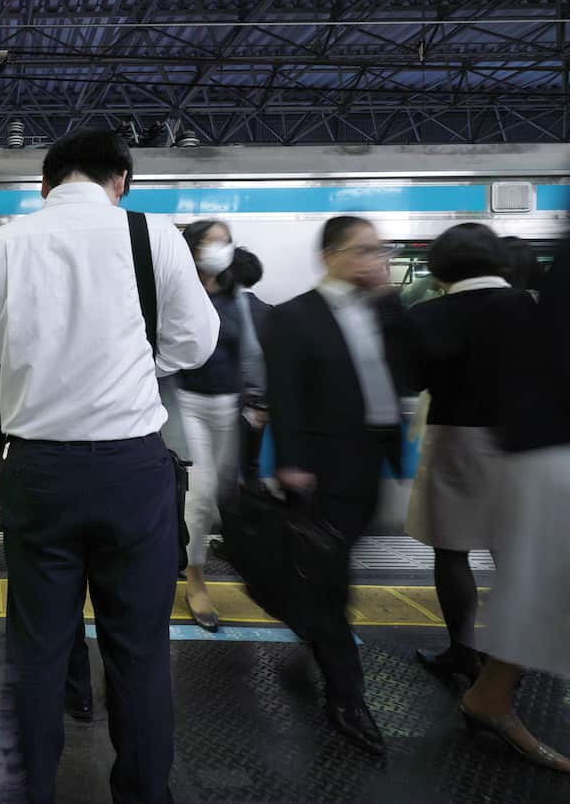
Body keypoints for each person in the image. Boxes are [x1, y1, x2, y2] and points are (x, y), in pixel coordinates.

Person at [0, 128, 218, 803]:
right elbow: (195, 343)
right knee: (138, 652)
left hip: (37, 468)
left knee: (37, 651)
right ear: (121, 182)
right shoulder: (152, 236)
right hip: (132, 468)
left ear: (44, 185)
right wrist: (137, 370)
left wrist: (33, 401)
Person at [264, 215, 407, 757]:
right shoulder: (295, 316)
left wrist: (390, 298)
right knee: (333, 583)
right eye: (362, 250)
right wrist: (293, 462)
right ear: (330, 255)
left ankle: (313, 627)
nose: (373, 260)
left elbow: (409, 368)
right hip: (324, 467)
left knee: (331, 572)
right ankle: (347, 697)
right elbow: (285, 393)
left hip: (370, 460)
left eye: (379, 250)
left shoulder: (379, 311)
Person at [400, 224, 532, 685]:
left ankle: (462, 652)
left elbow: (411, 381)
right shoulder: (534, 307)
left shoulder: (428, 316)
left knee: (453, 552)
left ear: (440, 268)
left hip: (456, 441)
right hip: (525, 442)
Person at [459, 235, 570, 774]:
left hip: (543, 443)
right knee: (541, 586)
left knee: (541, 587)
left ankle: (490, 695)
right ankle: (489, 696)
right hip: (551, 446)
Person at [175, 222, 266, 632]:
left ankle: (175, 553)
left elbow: (248, 350)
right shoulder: (176, 289)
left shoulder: (235, 296)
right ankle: (195, 581)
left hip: (228, 406)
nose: (219, 248)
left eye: (224, 241)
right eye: (212, 241)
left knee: (217, 497)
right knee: (200, 495)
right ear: (192, 246)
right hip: (185, 403)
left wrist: (258, 398)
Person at [229, 248, 271, 486]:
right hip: (259, 408)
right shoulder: (270, 312)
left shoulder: (219, 312)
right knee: (250, 466)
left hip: (228, 405)